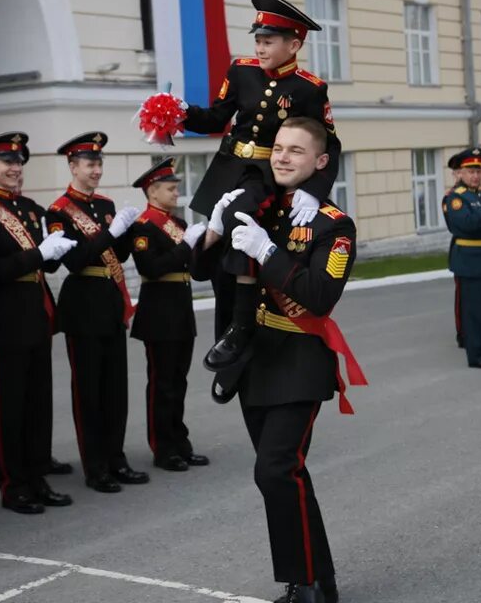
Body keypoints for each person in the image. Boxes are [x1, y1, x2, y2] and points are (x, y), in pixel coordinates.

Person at [200, 117, 363, 603]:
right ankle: (314, 581)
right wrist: (213, 230)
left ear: (320, 162)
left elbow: (319, 295)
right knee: (287, 475)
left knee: (275, 471)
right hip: (255, 362)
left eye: (296, 150)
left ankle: (309, 586)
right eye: (278, 148)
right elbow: (202, 271)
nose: (283, 157)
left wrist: (269, 251)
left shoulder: (332, 224)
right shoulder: (261, 206)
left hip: (299, 361)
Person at [170, 0, 340, 371]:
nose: (260, 48)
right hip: (228, 169)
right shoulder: (241, 71)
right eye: (258, 40)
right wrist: (180, 113)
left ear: (294, 44)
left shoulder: (309, 89)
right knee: (219, 271)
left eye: (269, 41)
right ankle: (227, 336)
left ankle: (240, 327)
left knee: (239, 221)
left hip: (266, 176)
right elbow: (215, 119)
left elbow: (330, 143)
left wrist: (312, 191)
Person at [0, 133, 77, 514]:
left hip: (36, 313)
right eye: (5, 160)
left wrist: (55, 253)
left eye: (18, 161)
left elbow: (45, 262)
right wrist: (37, 254)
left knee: (38, 404)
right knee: (12, 407)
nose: (14, 167)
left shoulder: (31, 208)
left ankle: (37, 475)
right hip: (7, 318)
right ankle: (14, 485)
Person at [47, 133, 148, 493]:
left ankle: (116, 458)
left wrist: (124, 231)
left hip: (107, 301)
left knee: (114, 388)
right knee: (89, 391)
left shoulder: (104, 204)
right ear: (73, 166)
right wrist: (110, 232)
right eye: (90, 164)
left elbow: (117, 256)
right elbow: (74, 260)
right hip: (82, 303)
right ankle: (96, 466)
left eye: (99, 163)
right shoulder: (58, 212)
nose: (96, 170)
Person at [127, 158, 209, 472]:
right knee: (161, 384)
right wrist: (184, 248)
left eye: (176, 188)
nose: (177, 193)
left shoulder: (179, 225)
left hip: (180, 309)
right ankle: (163, 448)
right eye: (171, 189)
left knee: (179, 381)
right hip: (158, 312)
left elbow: (191, 265)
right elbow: (151, 268)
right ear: (153, 191)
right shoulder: (143, 227)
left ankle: (180, 441)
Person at [442, 148, 481, 369]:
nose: (476, 176)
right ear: (460, 173)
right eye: (470, 171)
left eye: (479, 171)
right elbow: (468, 224)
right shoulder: (456, 198)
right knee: (474, 312)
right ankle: (476, 356)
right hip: (471, 262)